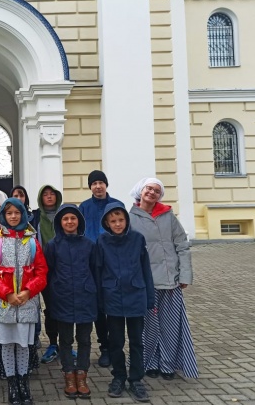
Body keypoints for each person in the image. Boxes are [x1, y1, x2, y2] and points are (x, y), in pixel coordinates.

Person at [128, 178, 199, 381]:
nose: (152, 192)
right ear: (141, 190)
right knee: (147, 327)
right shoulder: (130, 217)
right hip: (146, 283)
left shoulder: (168, 216)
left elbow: (182, 245)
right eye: (149, 188)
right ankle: (149, 362)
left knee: (170, 326)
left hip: (170, 281)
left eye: (156, 191)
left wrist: (185, 274)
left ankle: (168, 364)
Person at [0, 198, 48, 405]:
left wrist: (29, 291)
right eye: (9, 213)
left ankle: (23, 381)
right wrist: (7, 293)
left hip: (27, 303)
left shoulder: (31, 240)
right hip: (5, 304)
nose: (13, 216)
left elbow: (41, 271)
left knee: (23, 345)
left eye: (17, 212)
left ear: (23, 214)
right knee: (6, 345)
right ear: (4, 215)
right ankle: (12, 383)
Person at [97, 202, 155, 402]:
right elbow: (98, 271)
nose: (118, 224)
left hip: (135, 296)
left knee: (137, 341)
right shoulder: (102, 241)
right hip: (112, 297)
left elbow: (146, 269)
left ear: (127, 220)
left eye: (121, 220)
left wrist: (150, 298)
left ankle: (136, 379)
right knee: (116, 342)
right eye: (113, 221)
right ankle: (119, 377)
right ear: (107, 222)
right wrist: (99, 300)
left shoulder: (138, 239)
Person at [44, 204, 98, 399]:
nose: (69, 222)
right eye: (65, 219)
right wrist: (52, 297)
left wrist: (94, 293)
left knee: (84, 339)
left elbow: (95, 270)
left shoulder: (89, 245)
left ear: (79, 221)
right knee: (65, 340)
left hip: (85, 298)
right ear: (60, 222)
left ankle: (82, 375)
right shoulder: (52, 245)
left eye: (73, 219)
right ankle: (69, 374)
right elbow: (48, 273)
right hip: (62, 298)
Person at [78, 170, 122, 368]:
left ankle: (116, 347)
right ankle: (104, 347)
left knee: (113, 306)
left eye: (100, 183)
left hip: (113, 263)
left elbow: (124, 231)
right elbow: (80, 233)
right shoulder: (84, 207)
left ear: (106, 185)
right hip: (92, 264)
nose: (97, 186)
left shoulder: (117, 206)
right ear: (90, 187)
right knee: (98, 308)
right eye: (94, 183)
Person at [31, 184, 62, 364]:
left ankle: (65, 343)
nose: (49, 197)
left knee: (63, 307)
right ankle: (52, 343)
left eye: (52, 194)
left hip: (63, 268)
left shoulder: (64, 214)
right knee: (49, 307)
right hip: (42, 269)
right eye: (45, 194)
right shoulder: (35, 217)